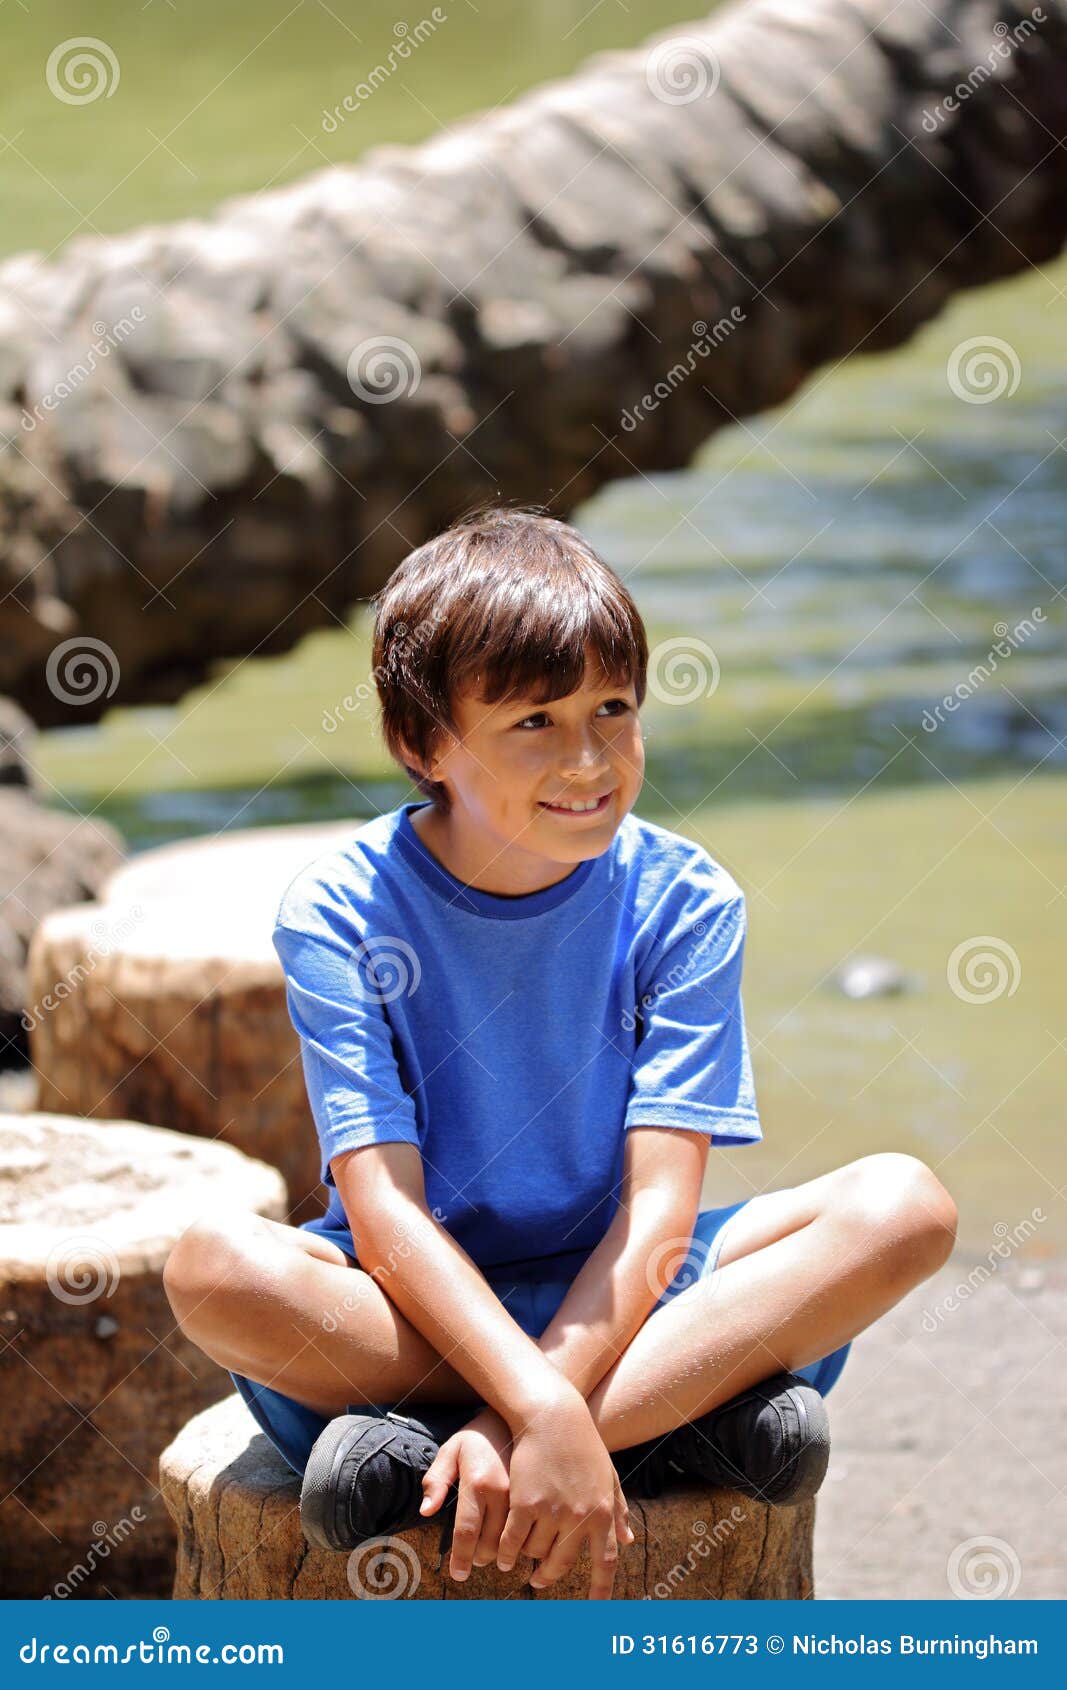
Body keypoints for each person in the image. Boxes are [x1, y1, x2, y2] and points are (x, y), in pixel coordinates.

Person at [163, 506, 958, 1601]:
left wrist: (525, 1409)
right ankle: (665, 1424)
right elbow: (383, 1213)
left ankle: (443, 1453)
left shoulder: (682, 900)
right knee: (214, 1268)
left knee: (902, 1206)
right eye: (533, 721)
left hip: (633, 1293)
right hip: (413, 1312)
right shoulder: (343, 911)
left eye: (613, 709)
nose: (587, 758)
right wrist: (539, 1402)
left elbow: (658, 1214)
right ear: (422, 743)